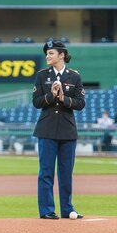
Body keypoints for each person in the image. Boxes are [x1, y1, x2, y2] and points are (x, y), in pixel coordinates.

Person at [32, 40, 85, 220]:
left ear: (62, 55)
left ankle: (67, 209)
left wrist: (64, 99)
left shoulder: (74, 77)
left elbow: (80, 103)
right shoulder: (41, 76)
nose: (47, 55)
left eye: (51, 53)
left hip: (67, 131)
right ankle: (47, 210)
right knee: (46, 172)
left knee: (65, 173)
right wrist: (51, 95)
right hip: (46, 130)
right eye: (47, 53)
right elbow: (36, 102)